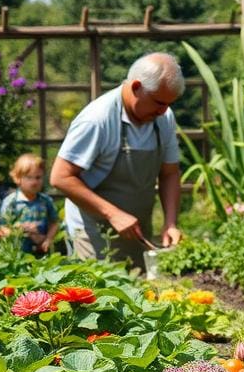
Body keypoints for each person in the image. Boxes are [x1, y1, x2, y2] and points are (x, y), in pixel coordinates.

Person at [51, 52, 185, 270]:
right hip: (93, 232)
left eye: (169, 104)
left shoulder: (164, 118)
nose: (163, 111)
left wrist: (170, 222)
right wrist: (113, 213)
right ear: (136, 87)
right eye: (159, 102)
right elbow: (60, 177)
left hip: (137, 230)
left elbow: (169, 173)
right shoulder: (97, 119)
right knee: (98, 295)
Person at [0, 153, 60, 255]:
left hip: (41, 250)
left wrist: (48, 239)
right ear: (18, 178)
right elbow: (3, 227)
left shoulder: (45, 201)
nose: (34, 182)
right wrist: (19, 230)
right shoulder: (11, 202)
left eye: (38, 177)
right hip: (18, 252)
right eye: (29, 177)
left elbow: (54, 223)